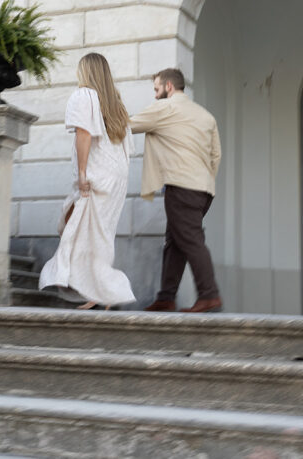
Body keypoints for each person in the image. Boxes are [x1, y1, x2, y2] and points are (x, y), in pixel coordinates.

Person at [39, 53, 136, 309]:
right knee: (99, 233)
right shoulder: (115, 102)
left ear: (86, 72)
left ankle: (88, 284)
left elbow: (83, 135)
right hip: (117, 176)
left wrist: (82, 174)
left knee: (73, 223)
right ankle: (97, 291)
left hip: (97, 172)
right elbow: (127, 146)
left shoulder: (84, 96)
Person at [130, 68, 223, 313]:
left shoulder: (165, 109)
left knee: (190, 239)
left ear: (169, 87)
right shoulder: (206, 116)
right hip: (204, 189)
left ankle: (209, 294)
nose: (155, 94)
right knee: (175, 241)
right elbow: (216, 155)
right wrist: (203, 179)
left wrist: (100, 120)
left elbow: (129, 125)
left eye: (156, 88)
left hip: (182, 186)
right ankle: (166, 297)